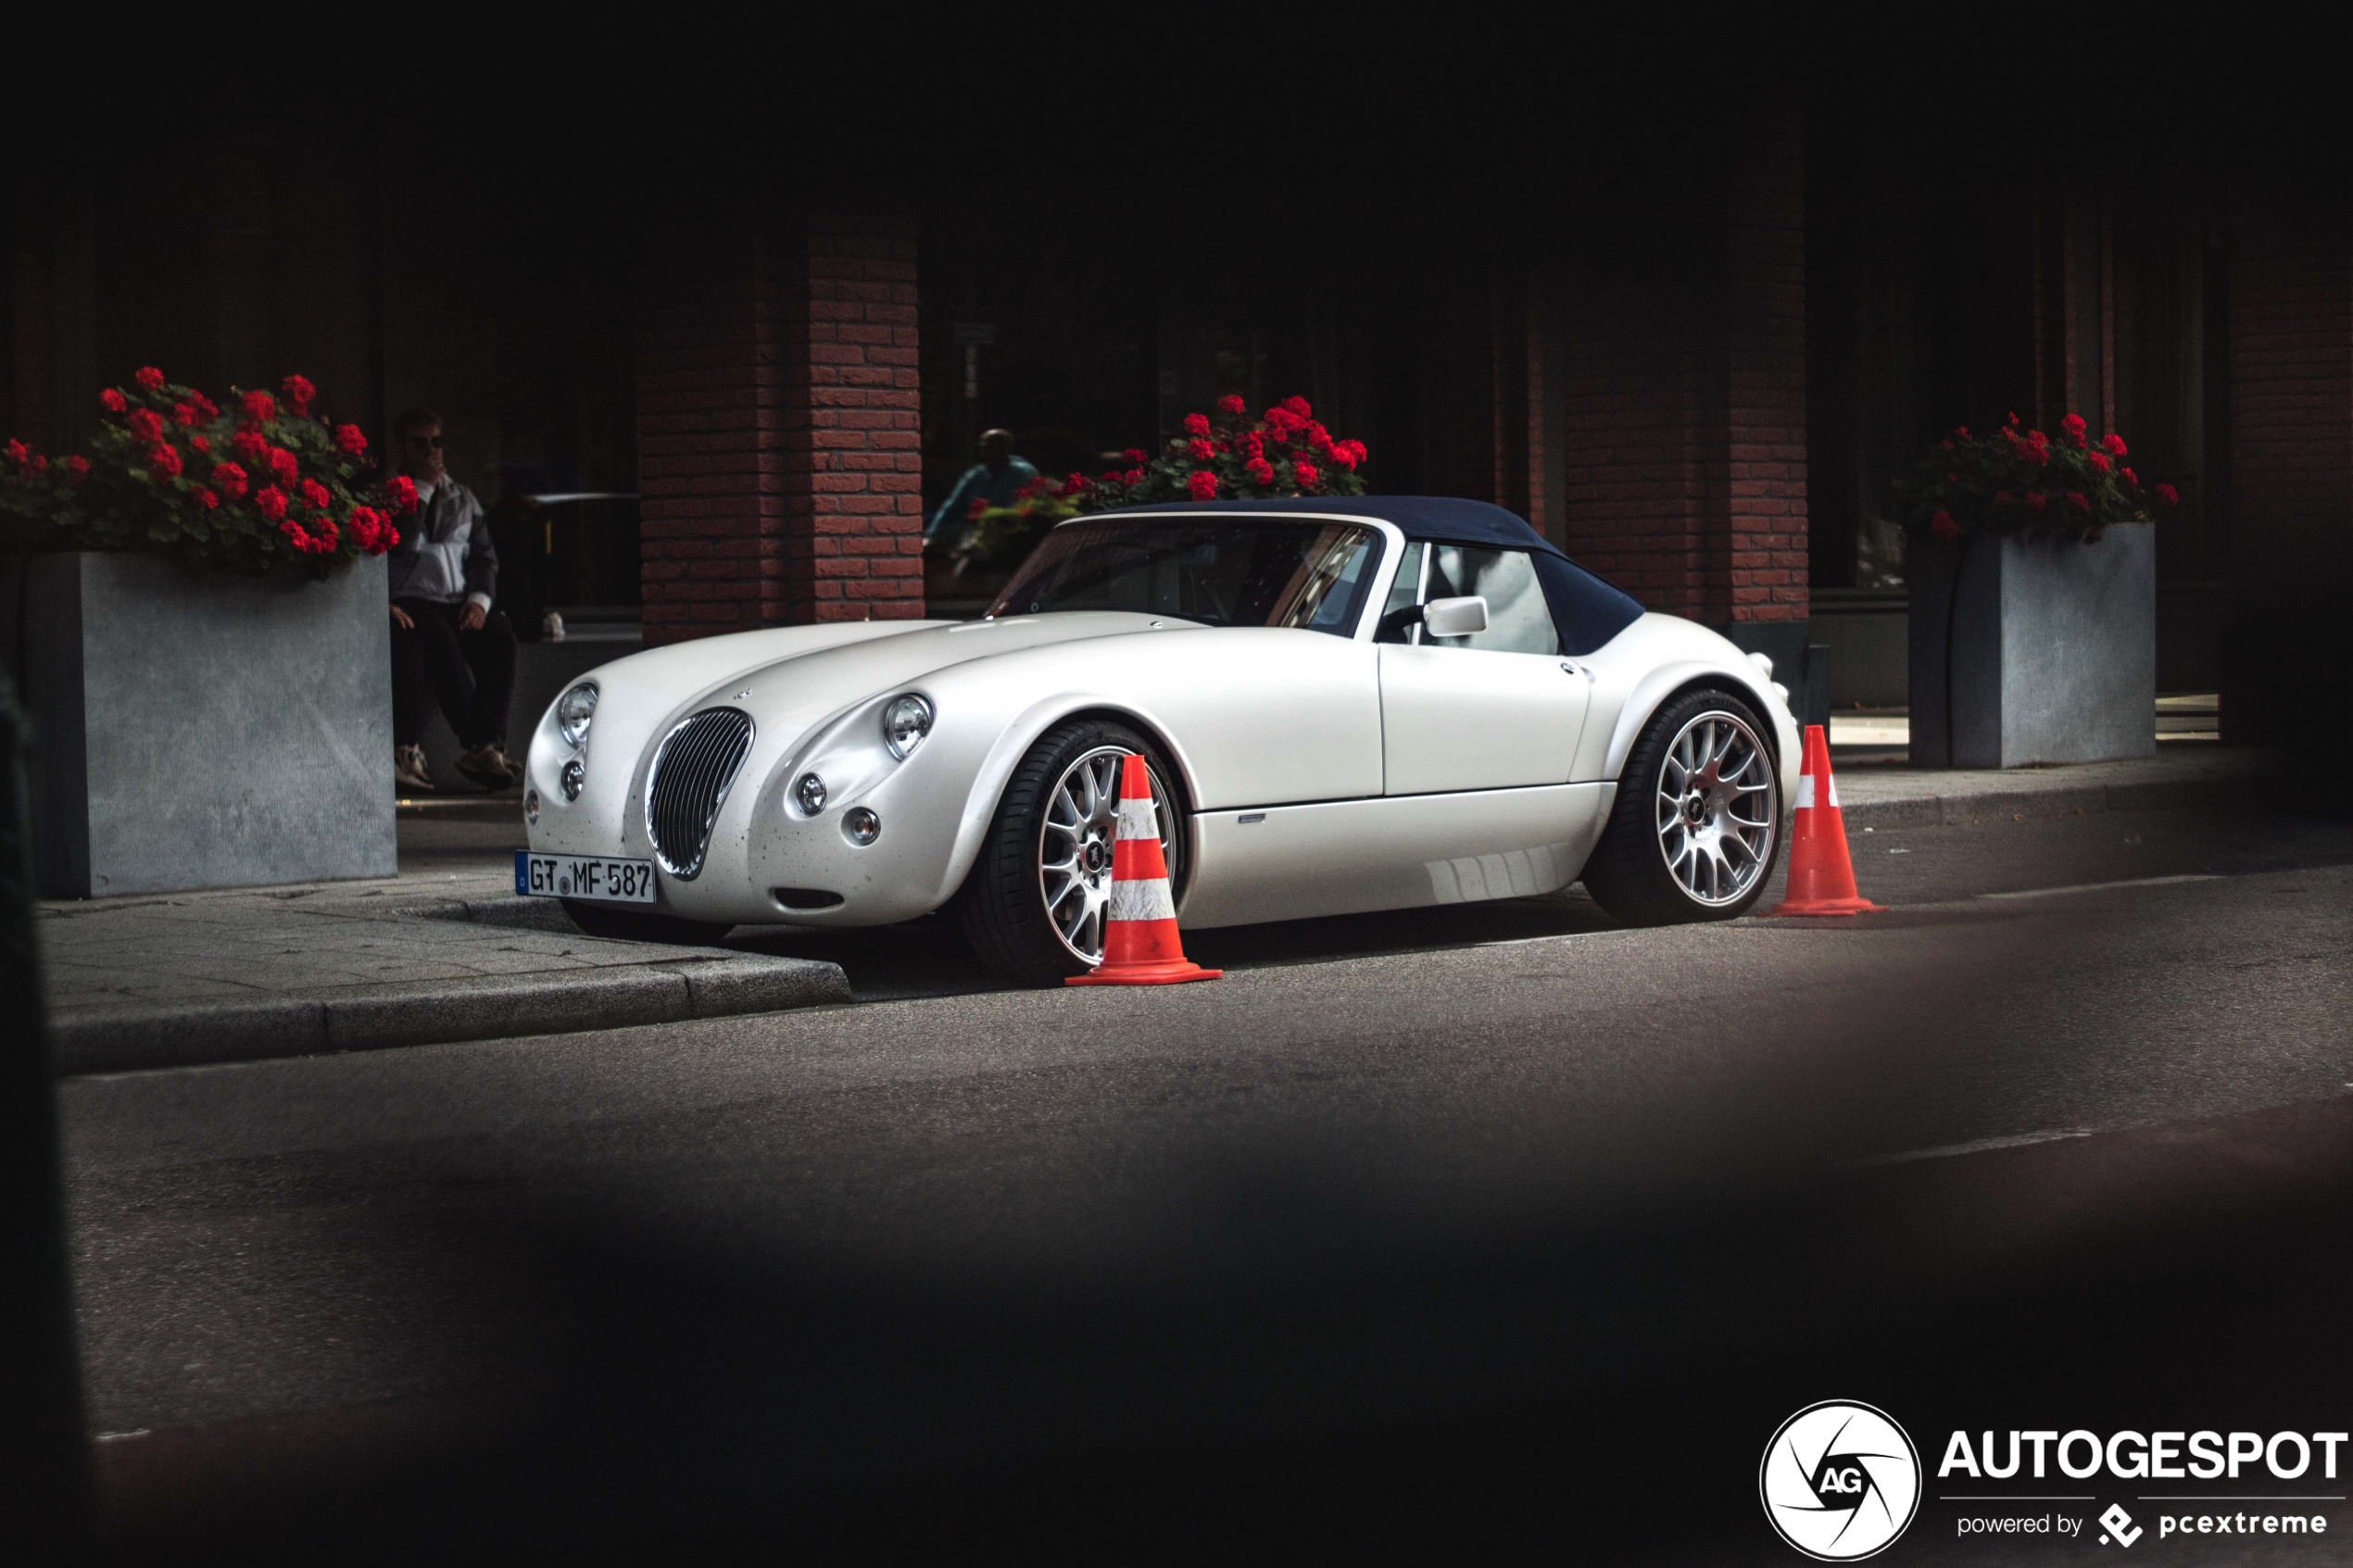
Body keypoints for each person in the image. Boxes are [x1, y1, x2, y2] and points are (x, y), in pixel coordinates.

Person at [386, 409, 519, 792]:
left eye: (436, 442)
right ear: (402, 447)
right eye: (420, 443)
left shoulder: (464, 497)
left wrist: (479, 601)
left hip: (455, 597)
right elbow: (402, 542)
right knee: (441, 644)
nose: (430, 450)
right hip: (409, 596)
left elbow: (483, 557)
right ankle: (479, 745)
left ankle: (489, 745)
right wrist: (422, 490)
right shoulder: (390, 493)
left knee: (500, 638)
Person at [924, 429, 1038, 545]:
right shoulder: (976, 475)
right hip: (973, 535)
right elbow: (952, 505)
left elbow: (1020, 512)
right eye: (983, 448)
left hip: (1009, 537)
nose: (985, 452)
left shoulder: (1022, 473)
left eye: (991, 448)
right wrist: (931, 535)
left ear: (1005, 449)